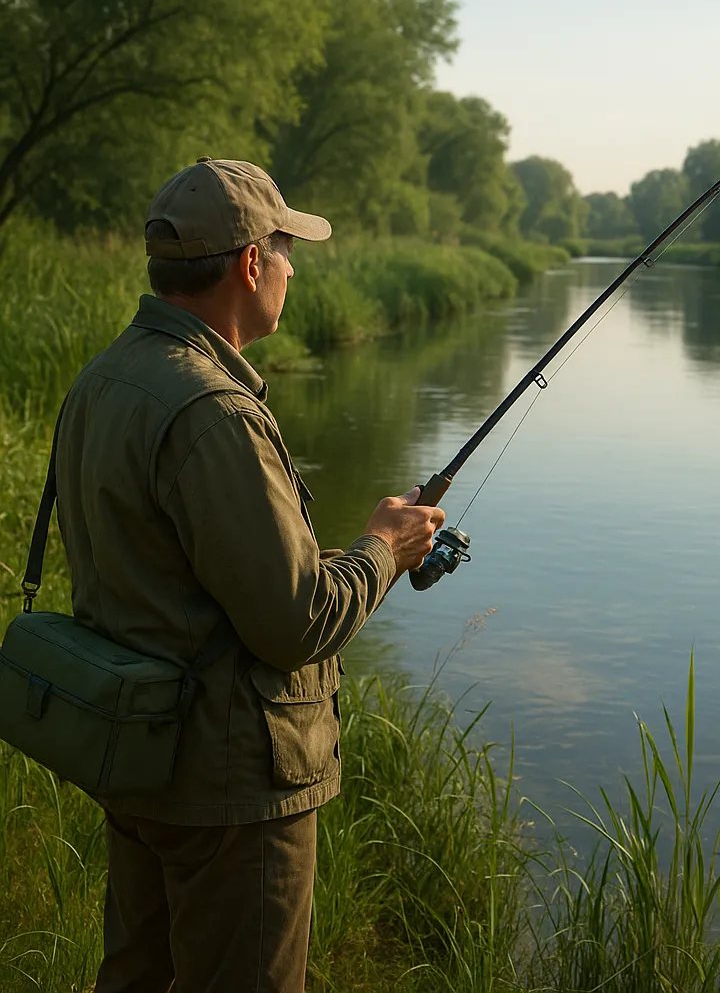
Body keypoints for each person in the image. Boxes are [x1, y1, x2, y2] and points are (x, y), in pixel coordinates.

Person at [53, 157, 444, 992]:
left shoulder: (105, 378)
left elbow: (185, 579)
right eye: (286, 249)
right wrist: (382, 547)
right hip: (227, 789)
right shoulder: (216, 414)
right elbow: (295, 621)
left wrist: (361, 549)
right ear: (251, 264)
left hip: (141, 759)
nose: (296, 268)